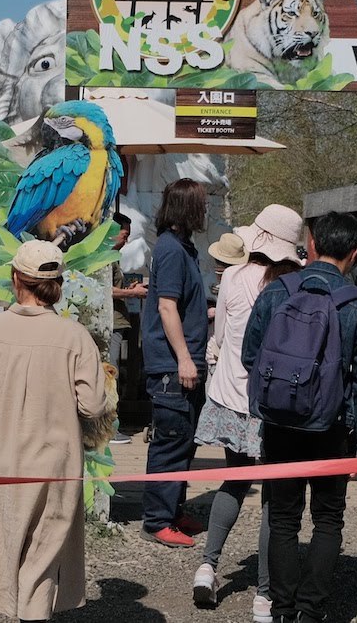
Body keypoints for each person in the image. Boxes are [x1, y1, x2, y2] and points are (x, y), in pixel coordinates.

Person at [0, 239, 107, 623]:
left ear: (14, 278)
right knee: (43, 549)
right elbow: (92, 405)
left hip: (0, 458)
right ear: (57, 285)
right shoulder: (74, 337)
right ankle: (32, 615)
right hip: (55, 461)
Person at [241, 211, 357, 623]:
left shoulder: (276, 291)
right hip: (332, 427)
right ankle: (310, 610)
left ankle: (281, 609)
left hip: (280, 422)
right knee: (328, 518)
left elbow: (251, 355)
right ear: (354, 254)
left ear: (312, 244)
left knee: (282, 517)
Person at [192, 205, 303, 623]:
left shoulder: (233, 276)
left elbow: (219, 337)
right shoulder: (289, 283)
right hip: (271, 402)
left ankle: (208, 566)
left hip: (229, 395)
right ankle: (263, 595)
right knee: (273, 497)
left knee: (234, 480)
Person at [141, 178, 211, 548]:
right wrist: (183, 358)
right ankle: (157, 519)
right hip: (172, 367)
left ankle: (173, 509)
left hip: (187, 362)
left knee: (184, 440)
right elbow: (167, 306)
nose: (207, 209)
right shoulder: (170, 249)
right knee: (169, 441)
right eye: (202, 203)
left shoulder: (184, 248)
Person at [108, 213, 146, 444]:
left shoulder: (111, 258)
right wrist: (132, 293)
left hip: (117, 322)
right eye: (125, 234)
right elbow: (105, 290)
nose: (126, 240)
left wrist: (129, 288)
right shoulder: (103, 258)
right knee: (109, 377)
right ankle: (108, 429)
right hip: (111, 322)